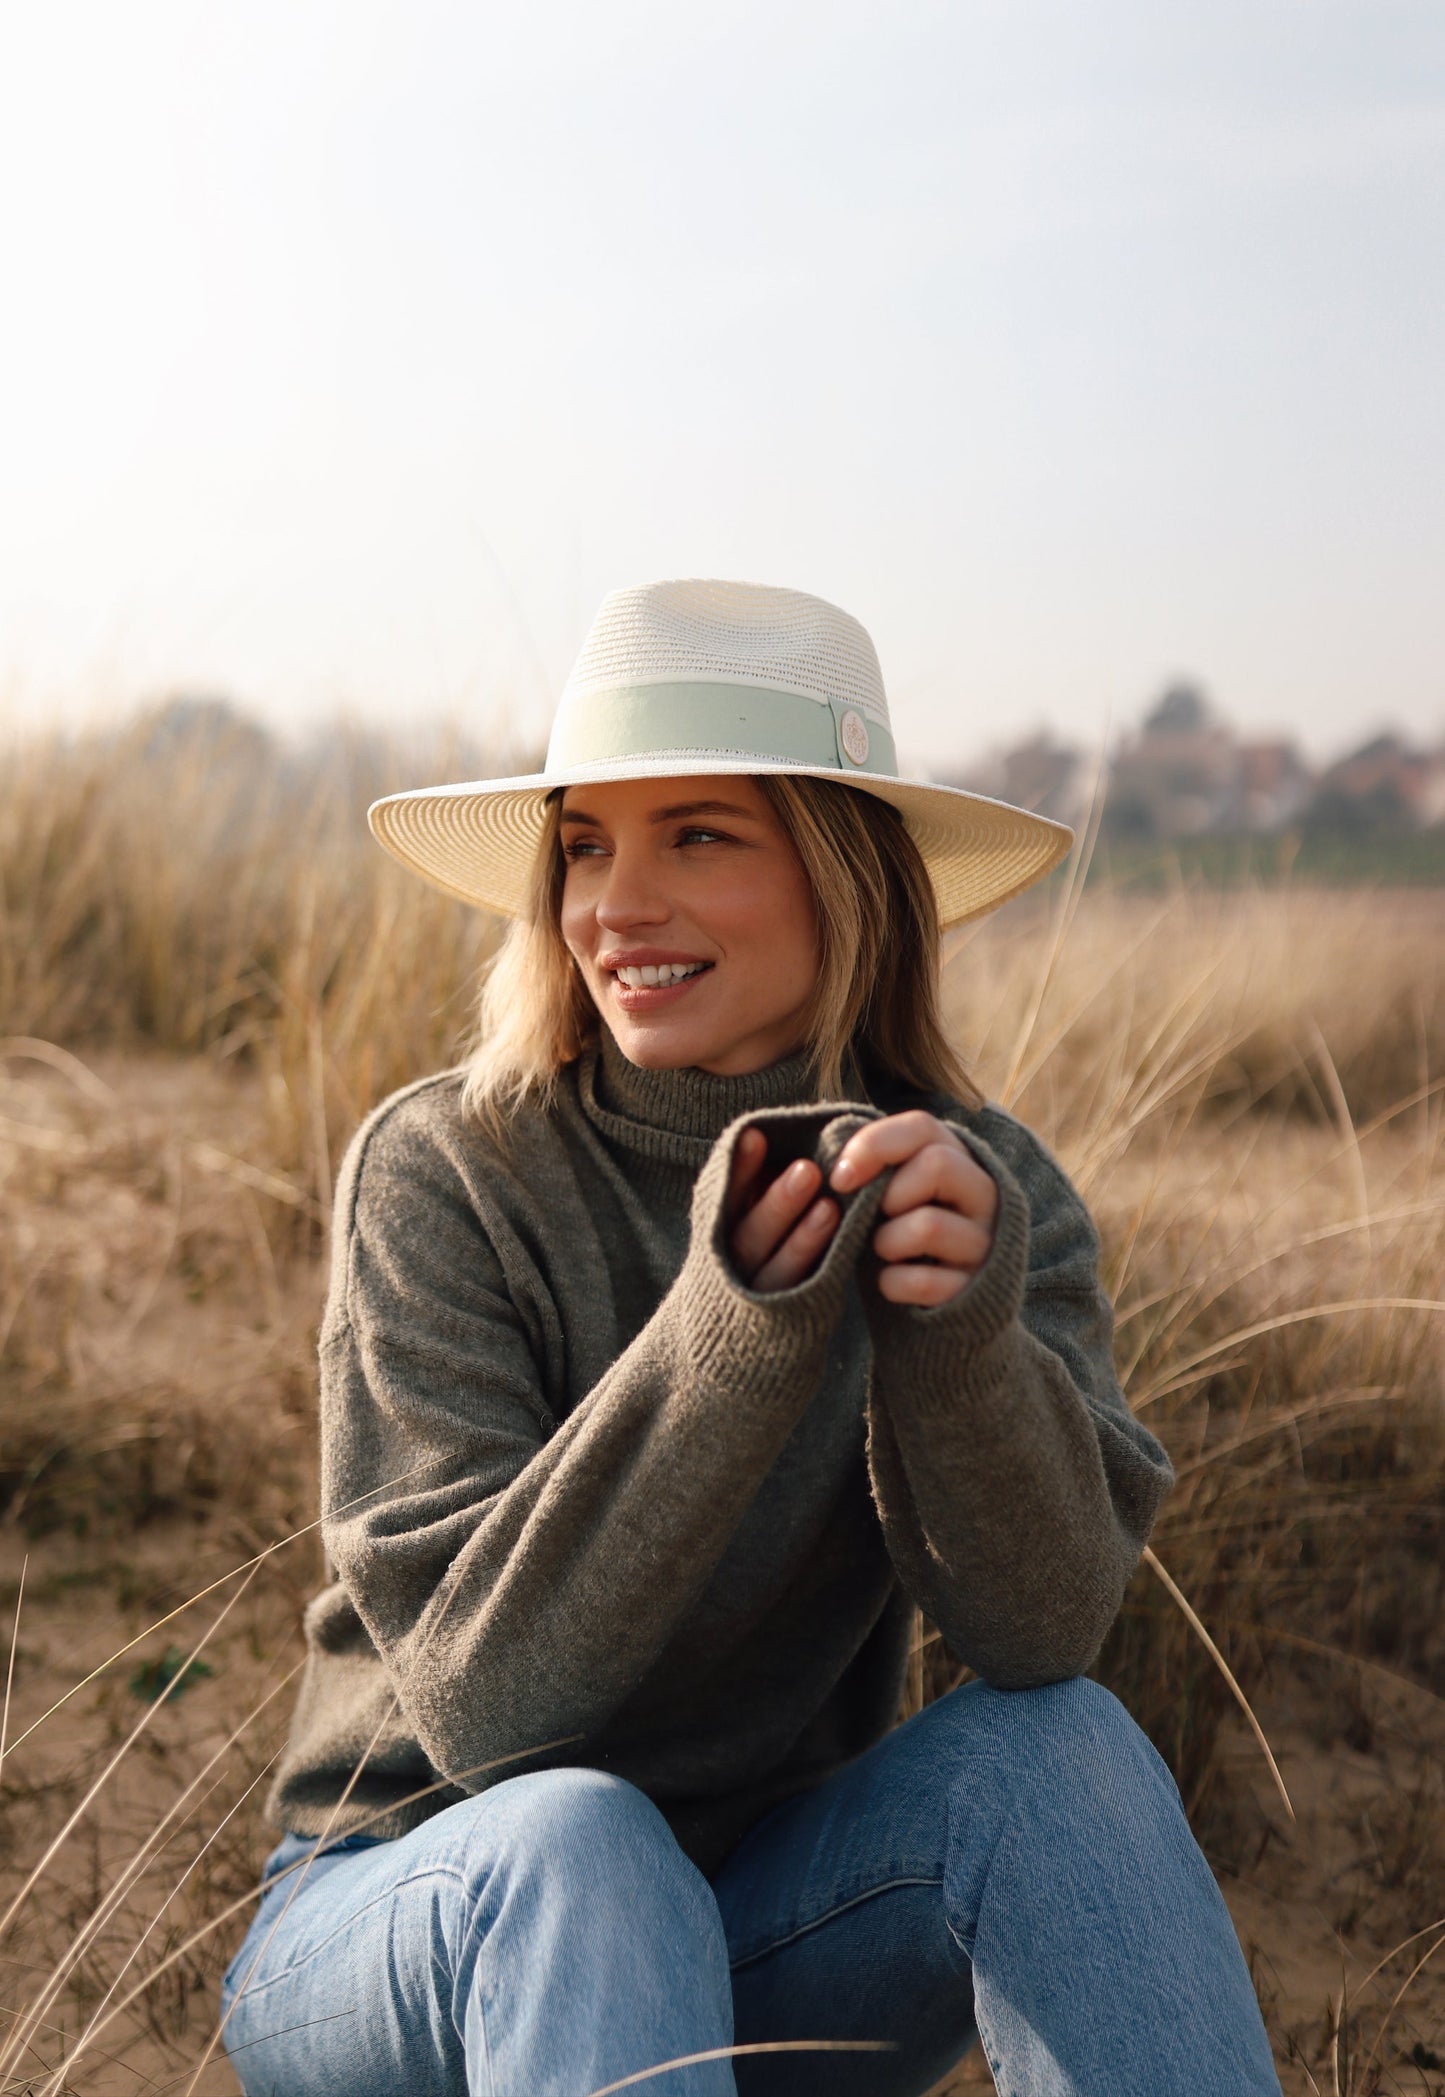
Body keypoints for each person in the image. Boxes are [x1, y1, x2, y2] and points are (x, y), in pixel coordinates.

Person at [219, 580, 1281, 2096]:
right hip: (410, 1922)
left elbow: (1040, 1630)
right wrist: (729, 1334)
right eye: (583, 843)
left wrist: (959, 1340)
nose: (611, 904)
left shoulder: (985, 1189)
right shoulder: (446, 1169)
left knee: (1063, 1754)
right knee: (584, 1840)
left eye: (695, 835)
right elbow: (484, 1708)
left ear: (842, 875)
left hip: (766, 1938)